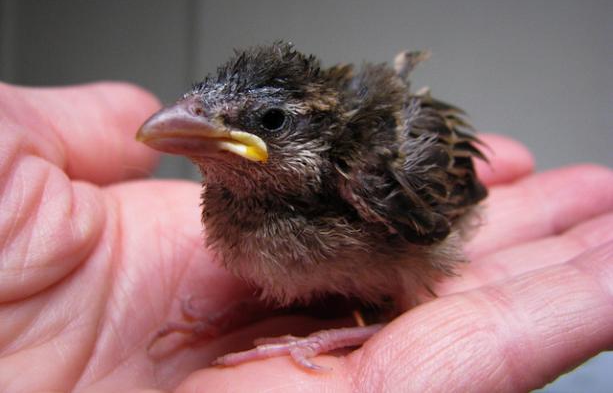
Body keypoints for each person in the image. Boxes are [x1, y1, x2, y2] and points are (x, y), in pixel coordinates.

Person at [0, 80, 611, 392]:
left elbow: (452, 211)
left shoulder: (373, 176)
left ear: (317, 135)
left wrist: (324, 340)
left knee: (394, 305)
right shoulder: (226, 200)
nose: (193, 131)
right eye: (202, 114)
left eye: (267, 122)